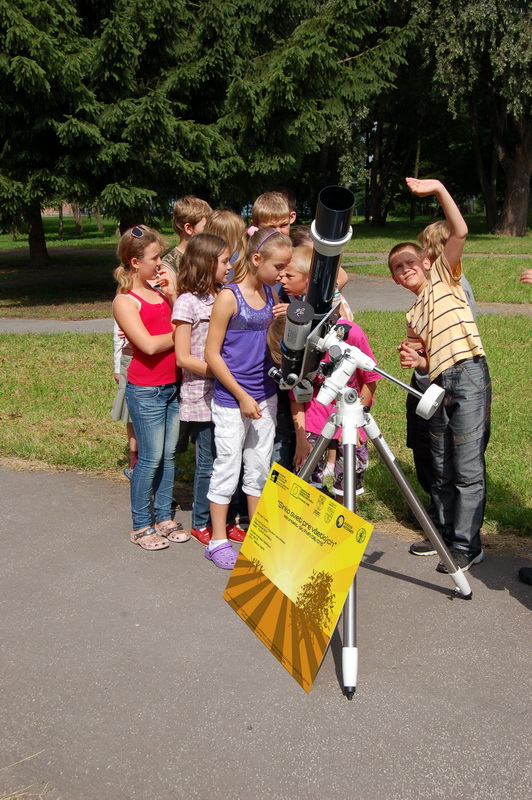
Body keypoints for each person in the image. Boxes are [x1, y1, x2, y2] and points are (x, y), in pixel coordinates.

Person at [390, 177, 491, 573]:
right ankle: (446, 537)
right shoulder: (413, 317)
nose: (404, 271)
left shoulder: (445, 278)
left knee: (466, 466)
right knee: (442, 464)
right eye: (397, 269)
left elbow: (460, 229)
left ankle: (468, 545)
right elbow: (426, 360)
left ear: (427, 262)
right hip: (439, 383)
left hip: (468, 375)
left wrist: (437, 188)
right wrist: (416, 362)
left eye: (409, 263)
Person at [204, 228, 292, 569]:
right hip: (232, 399)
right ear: (256, 259)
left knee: (258, 467)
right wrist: (240, 395)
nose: (283, 274)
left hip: (265, 395)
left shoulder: (271, 294)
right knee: (227, 466)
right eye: (279, 266)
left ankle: (257, 538)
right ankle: (217, 540)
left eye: (287, 268)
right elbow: (212, 354)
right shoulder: (229, 297)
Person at [113, 225, 187, 551]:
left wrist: (172, 294)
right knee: (149, 458)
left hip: (172, 385)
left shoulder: (159, 293)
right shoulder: (125, 301)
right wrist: (180, 336)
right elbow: (148, 345)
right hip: (146, 390)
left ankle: (163, 517)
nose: (160, 264)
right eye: (155, 258)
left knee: (168, 456)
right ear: (133, 262)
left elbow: (185, 317)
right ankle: (141, 525)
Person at [172, 233, 246, 546]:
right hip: (202, 394)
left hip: (227, 391)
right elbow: (183, 357)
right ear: (204, 263)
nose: (229, 267)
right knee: (210, 461)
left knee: (230, 459)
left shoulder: (224, 295)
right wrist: (221, 373)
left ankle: (225, 519)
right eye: (225, 261)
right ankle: (201, 521)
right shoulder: (186, 302)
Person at [405, 220, 477, 517]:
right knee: (421, 443)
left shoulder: (450, 282)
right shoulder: (428, 288)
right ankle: (437, 507)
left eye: (424, 245)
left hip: (443, 378)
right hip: (425, 375)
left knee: (441, 452)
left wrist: (423, 354)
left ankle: (444, 515)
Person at [111, 321, 137, 479]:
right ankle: (134, 462)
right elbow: (118, 335)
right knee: (131, 414)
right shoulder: (125, 297)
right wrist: (117, 368)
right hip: (131, 357)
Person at [163, 195, 212, 274]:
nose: (210, 231)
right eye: (206, 227)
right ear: (189, 229)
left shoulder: (207, 257)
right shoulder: (170, 264)